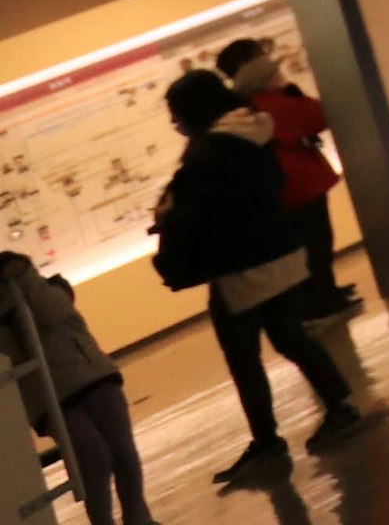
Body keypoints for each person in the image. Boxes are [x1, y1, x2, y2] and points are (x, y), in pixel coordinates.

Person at [152, 67, 367, 488]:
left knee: (243, 356)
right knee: (290, 336)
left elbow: (202, 211)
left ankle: (267, 439)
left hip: (240, 267)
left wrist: (168, 215)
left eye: (176, 114)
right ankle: (339, 406)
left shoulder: (210, 152)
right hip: (278, 253)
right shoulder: (252, 132)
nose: (175, 123)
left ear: (194, 111)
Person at [2, 247, 153, 525]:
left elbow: (52, 311)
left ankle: (138, 516)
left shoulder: (50, 290)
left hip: (91, 375)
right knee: (93, 458)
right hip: (53, 394)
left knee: (121, 450)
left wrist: (25, 279)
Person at [215, 39, 354, 315]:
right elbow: (318, 116)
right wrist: (292, 94)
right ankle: (322, 300)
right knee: (317, 246)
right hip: (299, 186)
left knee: (309, 247)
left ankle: (323, 293)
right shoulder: (271, 103)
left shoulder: (247, 106)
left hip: (286, 190)